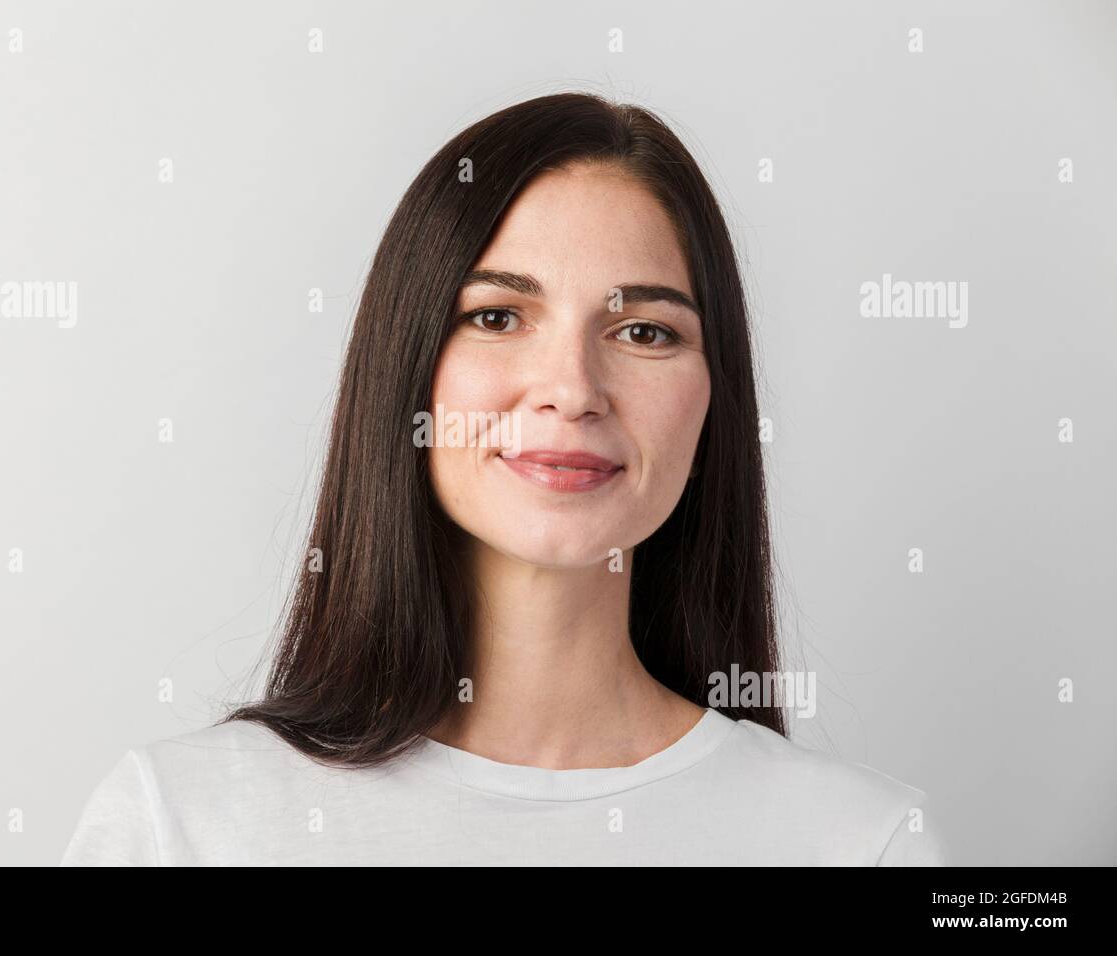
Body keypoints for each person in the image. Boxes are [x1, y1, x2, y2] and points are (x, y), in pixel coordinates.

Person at [61, 92, 949, 865]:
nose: (572, 389)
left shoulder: (858, 843)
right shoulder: (182, 826)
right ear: (406, 367)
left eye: (645, 331)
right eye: (496, 315)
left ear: (715, 396)